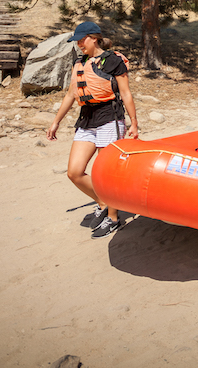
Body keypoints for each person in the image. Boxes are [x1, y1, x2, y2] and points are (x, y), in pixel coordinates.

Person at [47, 21, 138, 239]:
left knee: (106, 173)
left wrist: (134, 122)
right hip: (86, 118)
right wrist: (56, 121)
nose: (79, 45)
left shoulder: (113, 61)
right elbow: (71, 94)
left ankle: (113, 219)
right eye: (77, 42)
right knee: (74, 172)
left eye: (82, 40)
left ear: (94, 38)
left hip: (109, 117)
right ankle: (103, 202)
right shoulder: (79, 62)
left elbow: (126, 93)